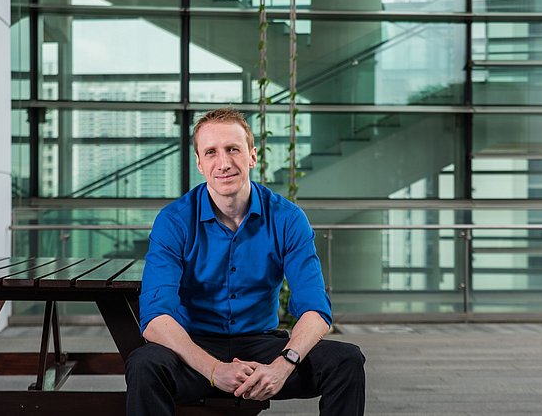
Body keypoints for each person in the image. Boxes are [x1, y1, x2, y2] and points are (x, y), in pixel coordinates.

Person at [125, 107, 366, 416]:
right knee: (145, 365)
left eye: (233, 149)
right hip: (195, 350)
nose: (223, 163)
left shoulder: (287, 218)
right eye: (211, 152)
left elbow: (316, 310)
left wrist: (283, 365)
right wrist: (214, 369)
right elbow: (156, 320)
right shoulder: (174, 221)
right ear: (199, 163)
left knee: (346, 361)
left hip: (263, 348)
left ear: (253, 156)